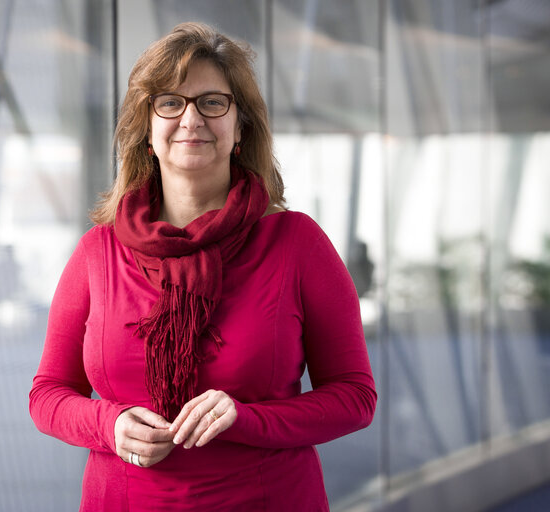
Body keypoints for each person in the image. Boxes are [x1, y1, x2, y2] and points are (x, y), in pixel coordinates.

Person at [29, 22, 376, 511]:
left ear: (240, 128)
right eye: (170, 102)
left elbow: (355, 396)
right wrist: (108, 425)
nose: (191, 119)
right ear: (147, 132)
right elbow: (48, 395)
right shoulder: (97, 253)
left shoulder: (297, 244)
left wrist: (247, 418)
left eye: (213, 102)